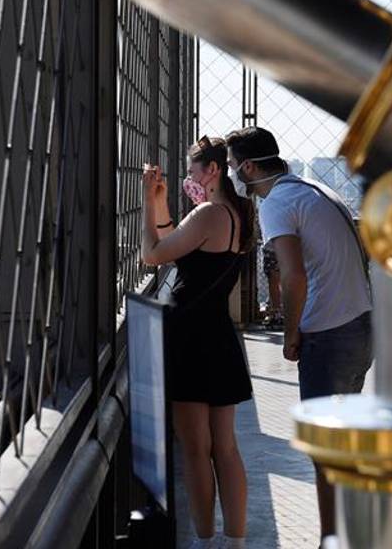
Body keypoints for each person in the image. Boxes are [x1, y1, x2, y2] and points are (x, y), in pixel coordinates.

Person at [225, 126, 372, 545]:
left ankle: (332, 538)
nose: (235, 175)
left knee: (325, 448)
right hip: (360, 323)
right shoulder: (315, 189)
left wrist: (291, 334)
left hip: (328, 334)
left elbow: (293, 275)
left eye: (235, 167)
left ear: (250, 167)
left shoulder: (278, 203)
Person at [141, 136, 254, 549]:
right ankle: (235, 541)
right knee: (225, 447)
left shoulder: (208, 213)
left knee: (195, 448)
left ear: (212, 170)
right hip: (219, 335)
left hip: (190, 339)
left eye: (192, 169)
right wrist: (162, 204)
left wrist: (144, 205)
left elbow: (152, 255)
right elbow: (181, 250)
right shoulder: (238, 213)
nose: (189, 177)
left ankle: (206, 541)